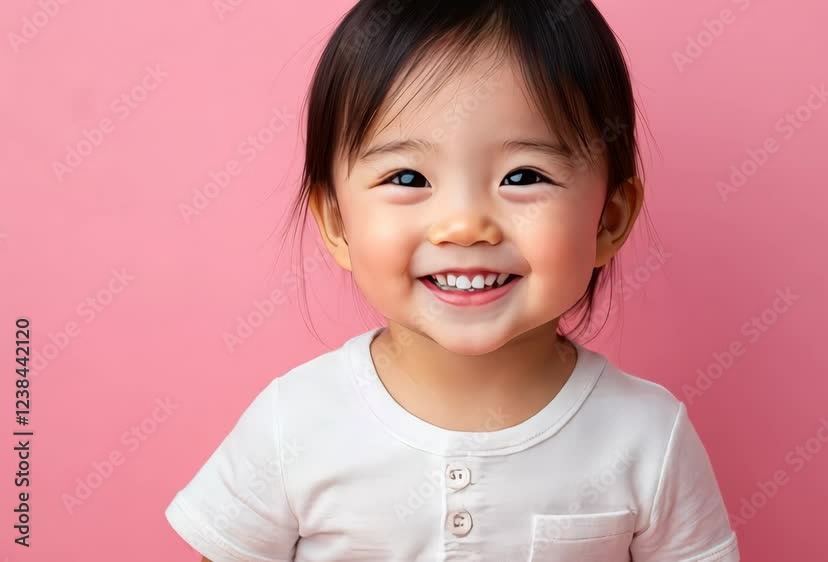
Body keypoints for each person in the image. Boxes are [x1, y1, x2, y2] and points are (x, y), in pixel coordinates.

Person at [164, 1, 740, 560]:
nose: (465, 225)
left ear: (608, 220)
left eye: (523, 176)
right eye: (408, 177)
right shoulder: (293, 421)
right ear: (337, 222)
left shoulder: (647, 436)